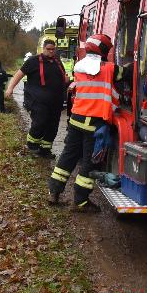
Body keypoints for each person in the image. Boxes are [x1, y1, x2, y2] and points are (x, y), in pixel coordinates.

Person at [47, 34, 126, 212]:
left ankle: (54, 192)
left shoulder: (78, 67)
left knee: (68, 156)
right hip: (94, 125)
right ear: (104, 50)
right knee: (90, 163)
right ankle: (81, 202)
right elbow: (126, 73)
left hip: (76, 121)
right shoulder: (110, 69)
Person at [5, 39, 68, 158]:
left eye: (53, 49)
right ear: (43, 49)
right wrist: (10, 88)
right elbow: (18, 75)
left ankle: (45, 150)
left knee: (53, 126)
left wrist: (66, 80)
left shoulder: (57, 62)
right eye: (48, 49)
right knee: (40, 121)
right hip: (37, 100)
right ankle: (32, 146)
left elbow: (63, 77)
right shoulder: (33, 61)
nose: (51, 51)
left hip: (55, 101)